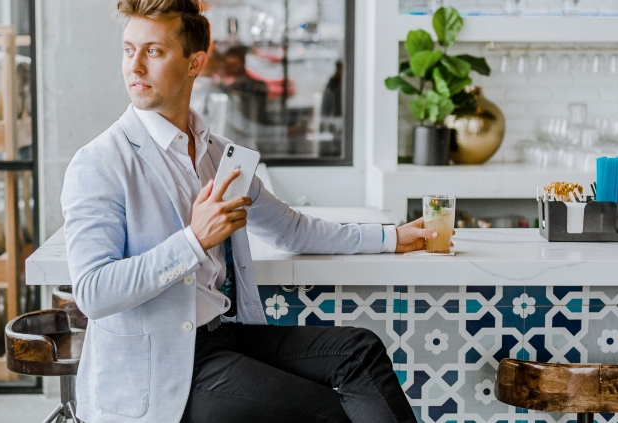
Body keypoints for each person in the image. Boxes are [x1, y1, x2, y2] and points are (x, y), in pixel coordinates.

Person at [60, 1, 438, 422]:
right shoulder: (100, 162)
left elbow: (290, 230)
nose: (135, 67)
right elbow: (93, 292)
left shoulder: (216, 154)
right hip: (159, 373)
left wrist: (389, 237)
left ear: (195, 62)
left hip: (221, 337)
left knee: (360, 352)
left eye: (153, 51)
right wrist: (193, 240)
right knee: (324, 411)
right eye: (129, 49)